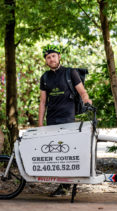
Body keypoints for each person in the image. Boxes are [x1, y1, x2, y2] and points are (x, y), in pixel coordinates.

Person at [38, 44, 92, 196]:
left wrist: (87, 101)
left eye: (54, 56)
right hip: (52, 119)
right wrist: (40, 124)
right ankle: (63, 184)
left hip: (67, 118)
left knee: (67, 151)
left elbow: (82, 92)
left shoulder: (70, 72)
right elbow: (42, 102)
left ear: (59, 56)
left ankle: (67, 185)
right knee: (55, 153)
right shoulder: (45, 77)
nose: (51, 59)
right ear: (46, 61)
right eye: (48, 57)